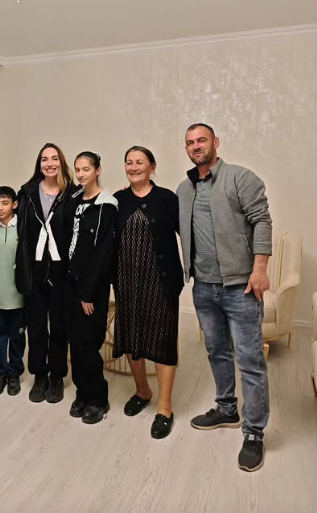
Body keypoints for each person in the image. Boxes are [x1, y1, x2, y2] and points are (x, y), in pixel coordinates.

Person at [177, 123, 272, 473]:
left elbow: (262, 221)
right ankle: (227, 409)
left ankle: (254, 432)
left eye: (201, 140)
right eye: (190, 142)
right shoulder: (184, 189)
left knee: (250, 360)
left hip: (241, 287)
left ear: (215, 142)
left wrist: (259, 269)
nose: (196, 146)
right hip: (203, 287)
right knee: (216, 351)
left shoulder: (240, 178)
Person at [113, 146, 184, 439]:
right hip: (127, 282)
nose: (133, 167)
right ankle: (142, 391)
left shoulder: (167, 198)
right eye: (129, 162)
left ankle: (165, 408)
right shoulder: (117, 200)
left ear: (152, 167)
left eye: (139, 162)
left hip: (161, 282)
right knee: (133, 338)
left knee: (163, 341)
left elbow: (188, 235)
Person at [16, 143, 76, 404]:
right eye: (44, 159)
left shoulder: (72, 194)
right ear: (39, 164)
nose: (49, 163)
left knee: (60, 328)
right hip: (35, 272)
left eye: (54, 158)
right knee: (37, 327)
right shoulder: (27, 193)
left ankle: (57, 376)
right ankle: (40, 375)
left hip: (62, 274)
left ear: (61, 162)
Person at [66, 152, 117, 424]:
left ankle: (98, 398)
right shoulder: (75, 199)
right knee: (75, 342)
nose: (81, 174)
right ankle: (82, 392)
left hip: (91, 287)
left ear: (98, 170)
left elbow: (103, 254)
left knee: (87, 343)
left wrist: (87, 292)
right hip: (71, 282)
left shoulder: (107, 205)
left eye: (86, 169)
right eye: (77, 169)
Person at [0, 186, 26, 397]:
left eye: (5, 203)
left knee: (17, 337)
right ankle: (0, 373)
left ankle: (14, 374)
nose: (0, 208)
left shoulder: (23, 228)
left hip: (18, 298)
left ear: (14, 204)